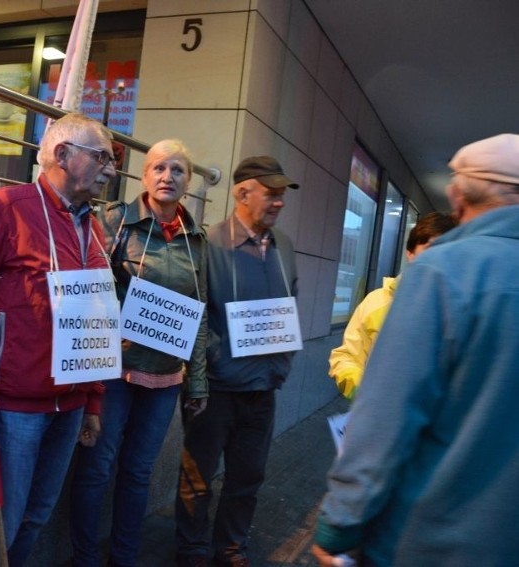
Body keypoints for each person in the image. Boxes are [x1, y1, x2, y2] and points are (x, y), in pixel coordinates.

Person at [312, 133, 519, 566]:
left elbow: (387, 416)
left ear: (458, 198)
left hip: (430, 538)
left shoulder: (443, 273)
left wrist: (339, 524)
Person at [0, 112, 118, 566]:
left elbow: (94, 321)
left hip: (67, 408)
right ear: (63, 155)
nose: (111, 168)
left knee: (35, 519)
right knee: (0, 532)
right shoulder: (5, 208)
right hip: (14, 409)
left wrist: (92, 401)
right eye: (102, 157)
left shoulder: (92, 226)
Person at [70, 139, 209, 567]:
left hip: (166, 377)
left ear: (188, 181)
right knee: (96, 469)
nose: (168, 177)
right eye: (159, 168)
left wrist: (198, 380)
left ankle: (125, 558)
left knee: (138, 473)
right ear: (144, 176)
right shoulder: (114, 222)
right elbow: (89, 286)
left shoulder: (196, 240)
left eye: (178, 170)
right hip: (115, 370)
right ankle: (86, 559)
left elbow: (199, 314)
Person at [175, 156, 300, 567]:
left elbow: (288, 305)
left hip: (264, 388)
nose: (279, 203)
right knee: (198, 478)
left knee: (247, 478)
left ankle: (230, 550)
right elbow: (194, 315)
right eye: (272, 194)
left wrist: (281, 362)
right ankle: (192, 551)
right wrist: (202, 375)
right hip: (217, 388)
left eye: (282, 195)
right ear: (242, 193)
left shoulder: (283, 246)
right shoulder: (209, 243)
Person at [328, 211, 456, 399]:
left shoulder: (461, 310)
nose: (439, 258)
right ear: (410, 253)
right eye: (430, 248)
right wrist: (360, 390)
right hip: (377, 416)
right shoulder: (377, 301)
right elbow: (346, 356)